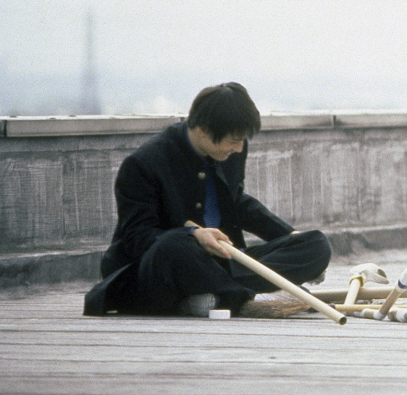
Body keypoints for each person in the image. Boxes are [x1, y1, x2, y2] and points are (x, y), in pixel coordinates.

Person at [84, 82, 332, 318]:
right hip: (160, 266)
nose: (238, 148)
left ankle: (211, 294)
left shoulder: (233, 150)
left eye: (242, 140)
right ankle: (250, 296)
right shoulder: (143, 164)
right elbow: (139, 238)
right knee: (174, 245)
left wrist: (288, 235)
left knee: (316, 244)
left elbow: (236, 202)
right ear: (203, 131)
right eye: (233, 140)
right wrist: (193, 235)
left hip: (222, 261)